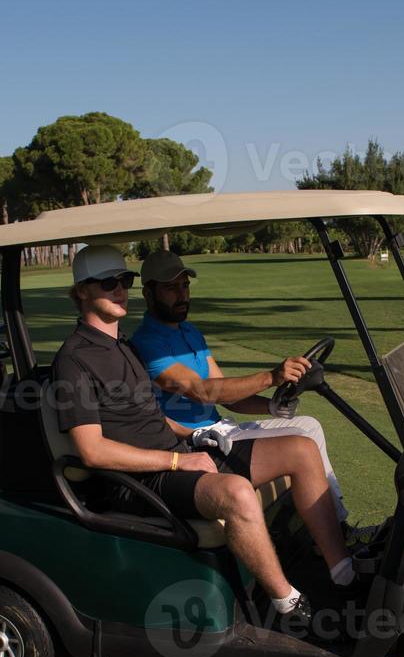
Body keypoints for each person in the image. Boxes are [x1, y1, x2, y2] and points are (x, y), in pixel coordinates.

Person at [49, 246, 358, 623]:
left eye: (124, 281)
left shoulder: (124, 348)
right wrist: (180, 458)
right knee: (237, 493)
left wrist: (193, 438)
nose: (119, 290)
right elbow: (93, 451)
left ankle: (344, 574)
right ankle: (289, 603)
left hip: (175, 455)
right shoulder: (73, 360)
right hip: (137, 481)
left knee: (301, 447)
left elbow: (154, 419)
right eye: (109, 283)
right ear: (82, 291)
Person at [130, 250, 350, 525]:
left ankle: (338, 521)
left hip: (222, 426)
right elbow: (203, 391)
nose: (182, 295)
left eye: (185, 286)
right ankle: (337, 531)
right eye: (171, 288)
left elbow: (228, 398)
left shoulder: (190, 332)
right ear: (148, 294)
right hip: (198, 440)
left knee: (310, 426)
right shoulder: (147, 342)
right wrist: (272, 377)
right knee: (301, 442)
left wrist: (269, 405)